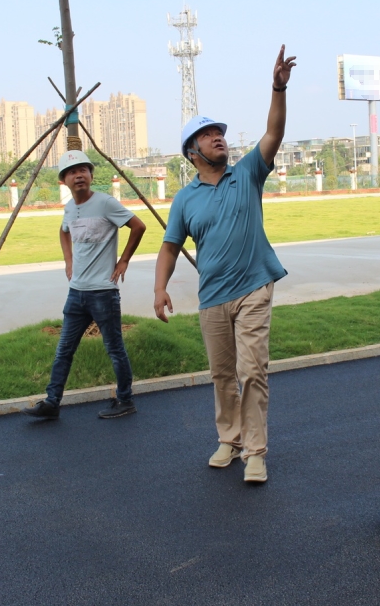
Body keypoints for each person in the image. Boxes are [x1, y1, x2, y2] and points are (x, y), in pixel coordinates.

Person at [153, 45, 297, 484]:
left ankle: (255, 451)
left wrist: (277, 88)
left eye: (220, 132)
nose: (219, 137)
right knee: (221, 375)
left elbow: (273, 132)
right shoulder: (185, 199)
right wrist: (159, 288)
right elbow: (170, 247)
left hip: (253, 286)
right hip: (212, 296)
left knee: (252, 372)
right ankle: (229, 440)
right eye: (209, 134)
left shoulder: (248, 172)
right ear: (192, 151)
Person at [24, 149, 147, 421]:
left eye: (83, 170)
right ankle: (52, 402)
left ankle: (125, 400)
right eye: (71, 172)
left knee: (114, 349)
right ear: (64, 180)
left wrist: (124, 260)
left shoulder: (105, 203)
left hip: (103, 292)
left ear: (91, 175)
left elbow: (138, 226)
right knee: (64, 350)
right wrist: (68, 260)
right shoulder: (70, 207)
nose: (78, 175)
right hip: (76, 293)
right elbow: (64, 231)